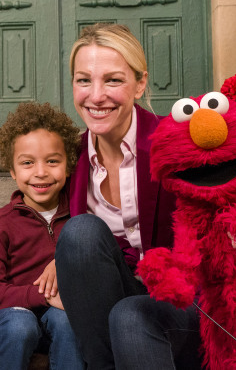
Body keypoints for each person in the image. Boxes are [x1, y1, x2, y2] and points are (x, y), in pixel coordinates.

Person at [53, 23, 204, 370]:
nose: (95, 96)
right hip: (113, 304)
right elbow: (29, 214)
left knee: (131, 316)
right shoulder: (68, 158)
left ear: (140, 84)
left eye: (113, 80)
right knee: (79, 235)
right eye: (83, 80)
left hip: (184, 302)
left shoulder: (177, 143)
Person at [0, 102, 85, 370]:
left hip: (57, 320)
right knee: (21, 324)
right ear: (12, 171)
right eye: (27, 163)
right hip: (5, 320)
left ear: (69, 165)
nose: (40, 172)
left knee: (68, 319)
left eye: (52, 161)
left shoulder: (80, 215)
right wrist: (43, 296)